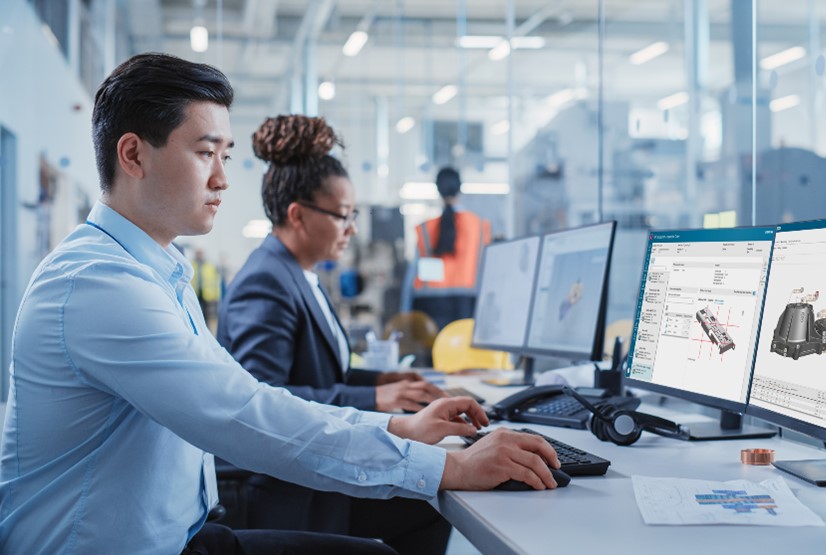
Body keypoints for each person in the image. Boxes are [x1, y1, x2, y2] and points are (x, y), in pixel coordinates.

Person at [0, 53, 561, 555]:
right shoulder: (100, 285)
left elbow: (252, 395)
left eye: (225, 155)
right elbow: (243, 416)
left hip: (186, 534)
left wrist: (399, 428)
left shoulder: (157, 271)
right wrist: (448, 465)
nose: (222, 178)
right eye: (205, 154)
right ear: (133, 155)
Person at [216, 115, 449, 553]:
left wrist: (385, 383)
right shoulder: (265, 281)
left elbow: (325, 372)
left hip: (303, 471)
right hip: (276, 489)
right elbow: (267, 399)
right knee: (426, 499)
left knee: (427, 502)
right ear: (298, 215)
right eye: (343, 216)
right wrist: (376, 402)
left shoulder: (300, 274)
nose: (352, 229)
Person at [409, 167, 491, 330]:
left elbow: (413, 274)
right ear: (460, 188)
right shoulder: (480, 226)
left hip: (431, 306)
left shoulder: (426, 228)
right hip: (468, 304)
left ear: (437, 190)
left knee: (435, 354)